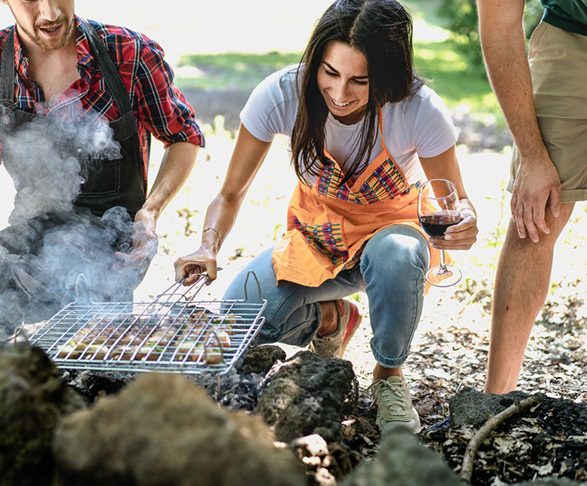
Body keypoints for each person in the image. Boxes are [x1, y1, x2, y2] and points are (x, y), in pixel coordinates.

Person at [174, 0, 478, 434]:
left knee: (397, 253)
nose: (340, 94)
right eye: (330, 73)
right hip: (317, 238)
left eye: (360, 80)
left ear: (387, 75)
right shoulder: (280, 95)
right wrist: (207, 246)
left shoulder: (418, 109)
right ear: (316, 61)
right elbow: (230, 192)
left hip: (391, 239)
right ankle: (332, 318)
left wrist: (465, 223)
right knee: (240, 316)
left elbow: (456, 200)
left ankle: (388, 376)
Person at [0, 0, 204, 327]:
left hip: (114, 243)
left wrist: (150, 212)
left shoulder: (130, 54)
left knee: (88, 349)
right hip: (29, 233)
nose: (50, 13)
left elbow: (183, 137)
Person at [478, 0, 587, 394]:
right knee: (534, 219)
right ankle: (496, 399)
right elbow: (499, 28)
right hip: (571, 36)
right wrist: (533, 155)